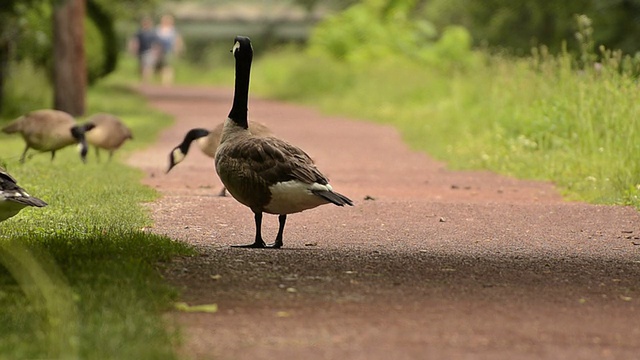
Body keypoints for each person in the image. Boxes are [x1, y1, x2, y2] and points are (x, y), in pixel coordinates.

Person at [129, 16, 160, 83]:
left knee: (148, 66)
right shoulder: (139, 32)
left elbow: (156, 43)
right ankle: (143, 79)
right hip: (141, 51)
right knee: (142, 66)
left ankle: (147, 80)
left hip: (149, 51)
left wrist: (156, 52)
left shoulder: (153, 33)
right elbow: (135, 41)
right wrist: (134, 49)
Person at [155, 14, 183, 86]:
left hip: (169, 50)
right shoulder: (158, 29)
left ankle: (167, 82)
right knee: (160, 66)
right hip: (159, 50)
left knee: (168, 65)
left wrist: (178, 49)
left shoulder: (173, 30)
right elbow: (155, 40)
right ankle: (163, 79)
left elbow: (177, 40)